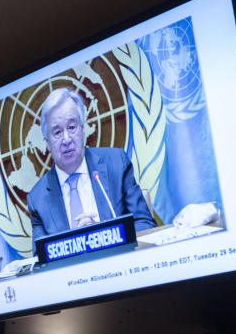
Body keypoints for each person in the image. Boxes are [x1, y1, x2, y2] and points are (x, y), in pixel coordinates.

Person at [27, 88, 156, 242]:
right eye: (57, 132)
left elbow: (145, 224)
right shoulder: (38, 199)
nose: (66, 139)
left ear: (82, 129)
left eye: (72, 127)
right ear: (47, 143)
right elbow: (41, 257)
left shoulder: (117, 164)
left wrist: (104, 236)